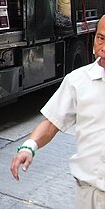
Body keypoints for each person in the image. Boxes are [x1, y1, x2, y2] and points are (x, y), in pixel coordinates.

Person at [10, 14, 105, 208]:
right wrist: (29, 147)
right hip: (87, 192)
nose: (103, 48)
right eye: (101, 38)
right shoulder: (78, 80)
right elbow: (52, 122)